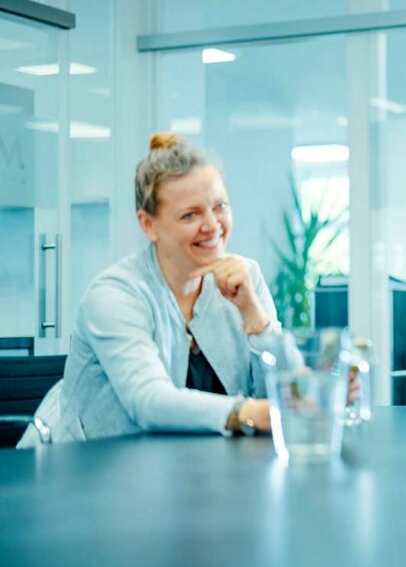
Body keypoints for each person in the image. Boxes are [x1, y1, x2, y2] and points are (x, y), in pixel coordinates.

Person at [19, 133, 278, 446]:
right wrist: (247, 412)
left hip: (187, 473)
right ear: (148, 225)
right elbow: (149, 400)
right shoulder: (114, 295)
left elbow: (285, 396)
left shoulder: (245, 276)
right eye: (190, 215)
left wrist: (254, 316)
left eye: (219, 206)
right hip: (80, 474)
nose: (212, 225)